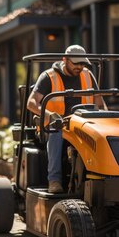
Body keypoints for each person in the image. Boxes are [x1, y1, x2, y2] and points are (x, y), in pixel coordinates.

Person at [27, 45, 107, 193]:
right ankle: (54, 180)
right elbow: (31, 103)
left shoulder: (88, 75)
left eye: (82, 63)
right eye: (76, 63)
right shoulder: (48, 76)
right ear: (65, 59)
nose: (80, 67)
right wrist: (49, 115)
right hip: (54, 125)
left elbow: (99, 103)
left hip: (83, 124)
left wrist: (106, 120)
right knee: (56, 132)